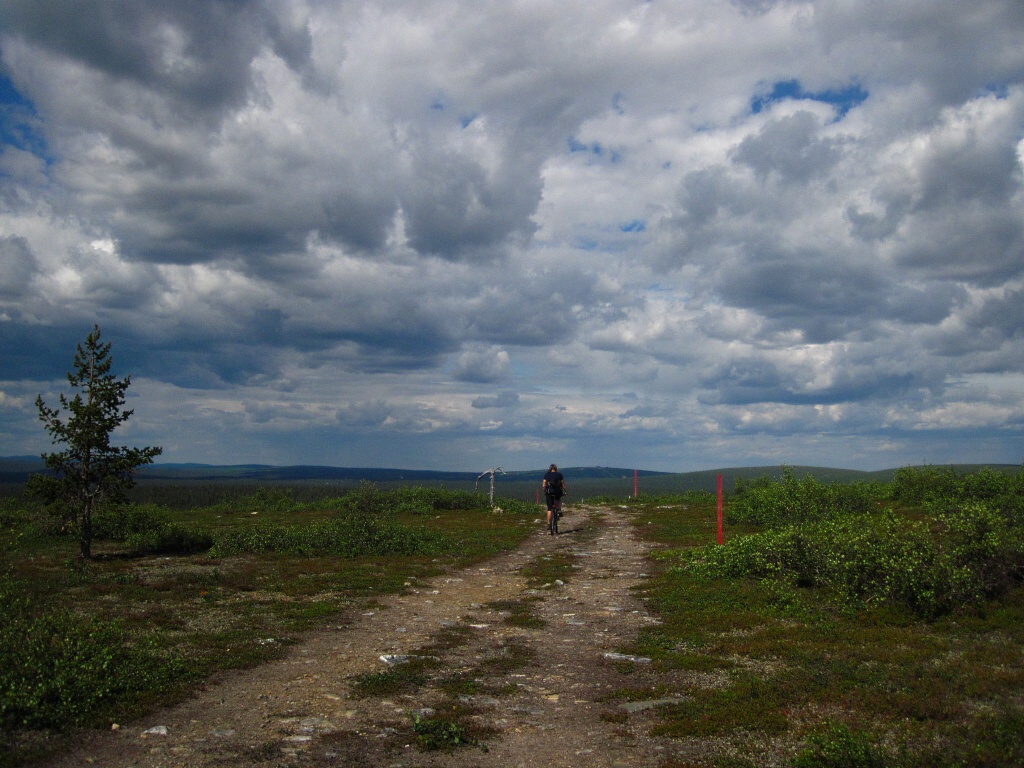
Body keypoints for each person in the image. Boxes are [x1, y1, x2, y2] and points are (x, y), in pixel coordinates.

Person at [542, 463, 566, 535]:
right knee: (558, 499)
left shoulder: (547, 474)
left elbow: (544, 483)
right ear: (556, 469)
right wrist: (566, 492)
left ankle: (549, 523)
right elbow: (563, 484)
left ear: (550, 468)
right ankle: (559, 510)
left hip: (549, 493)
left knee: (549, 508)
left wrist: (545, 490)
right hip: (557, 492)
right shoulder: (559, 474)